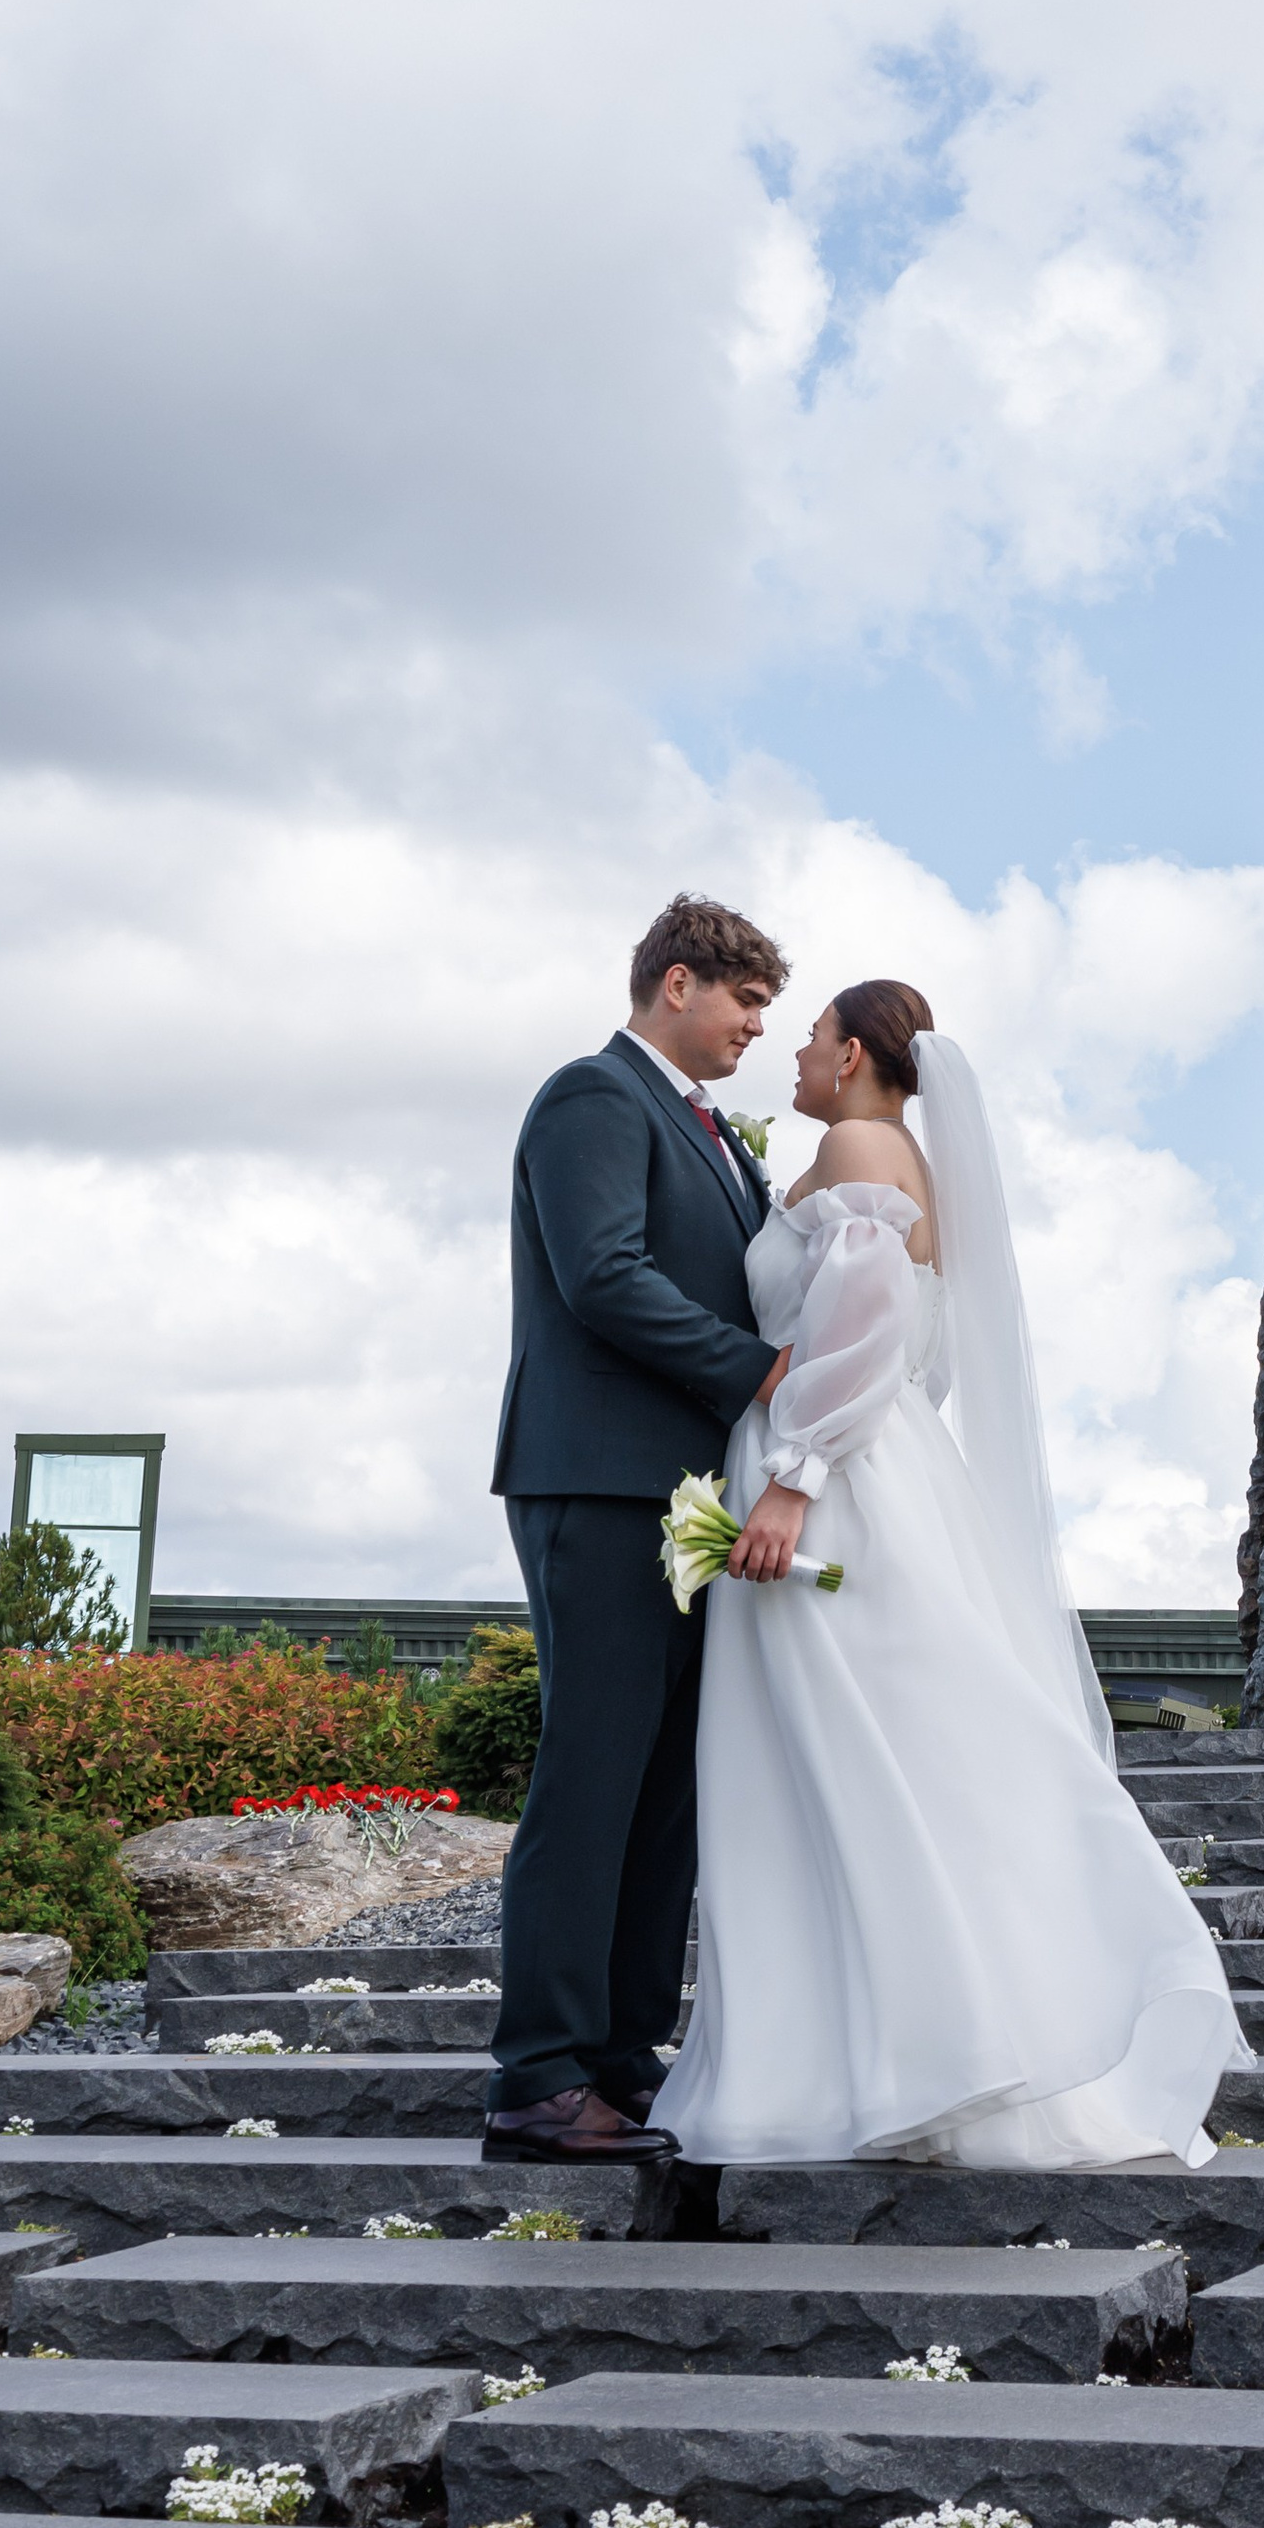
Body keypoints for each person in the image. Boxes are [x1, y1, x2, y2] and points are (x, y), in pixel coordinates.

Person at [653, 978, 1245, 2167]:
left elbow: (870, 1323)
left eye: (812, 1037)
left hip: (830, 1489)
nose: (796, 1057)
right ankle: (880, 2047)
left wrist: (795, 1476)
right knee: (843, 1760)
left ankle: (882, 2056)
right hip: (864, 1468)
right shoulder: (883, 1152)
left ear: (859, 1052)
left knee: (839, 1756)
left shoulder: (864, 1142)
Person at [481, 893, 791, 2164]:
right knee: (595, 1778)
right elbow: (600, 1274)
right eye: (743, 1004)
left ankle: (619, 2056)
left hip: (688, 1500)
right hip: (600, 1483)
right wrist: (757, 1373)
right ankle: (537, 2076)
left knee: (665, 1794)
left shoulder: (712, 1131)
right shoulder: (591, 1099)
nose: (755, 1032)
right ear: (677, 985)